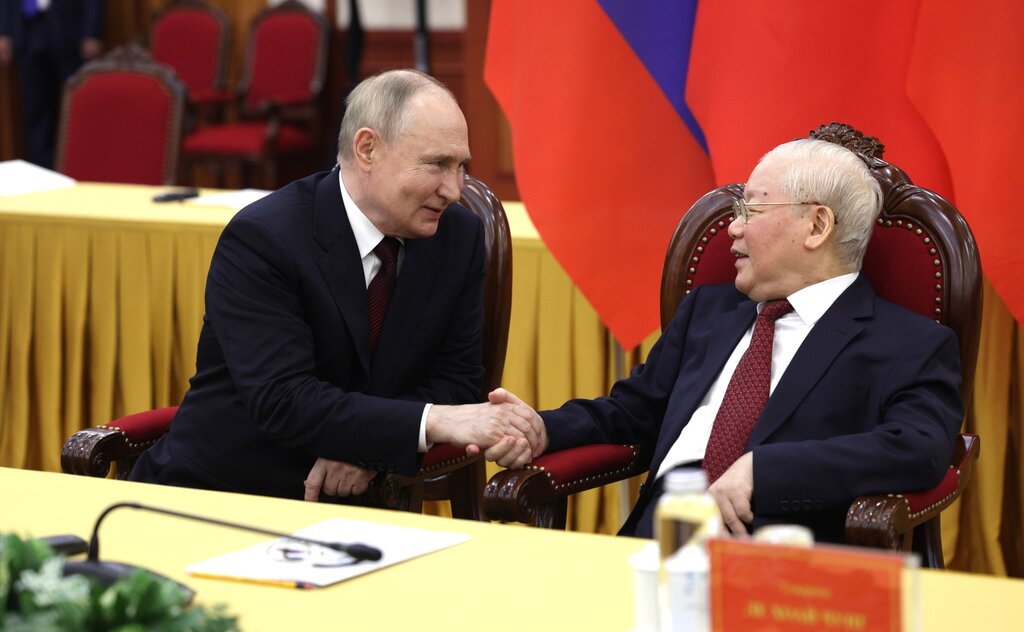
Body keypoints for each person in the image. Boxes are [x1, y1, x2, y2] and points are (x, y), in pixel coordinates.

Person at [487, 138, 963, 544]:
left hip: (781, 557)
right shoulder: (708, 313)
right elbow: (632, 412)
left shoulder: (910, 342)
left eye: (751, 210)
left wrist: (765, 470)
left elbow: (918, 448)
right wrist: (544, 429)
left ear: (817, 226)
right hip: (658, 539)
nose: (732, 228)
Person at [130, 69, 540, 502]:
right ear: (367, 149)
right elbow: (284, 400)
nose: (454, 190)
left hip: (365, 509)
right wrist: (428, 422)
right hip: (222, 493)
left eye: (461, 167)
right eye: (438, 164)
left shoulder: (458, 236)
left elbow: (457, 379)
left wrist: (368, 447)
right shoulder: (265, 238)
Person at [0, 0, 103, 169]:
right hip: (28, 30)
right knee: (35, 112)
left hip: (69, 30)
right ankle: (41, 174)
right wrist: (3, 31)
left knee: (77, 109)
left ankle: (83, 169)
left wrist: (91, 31)